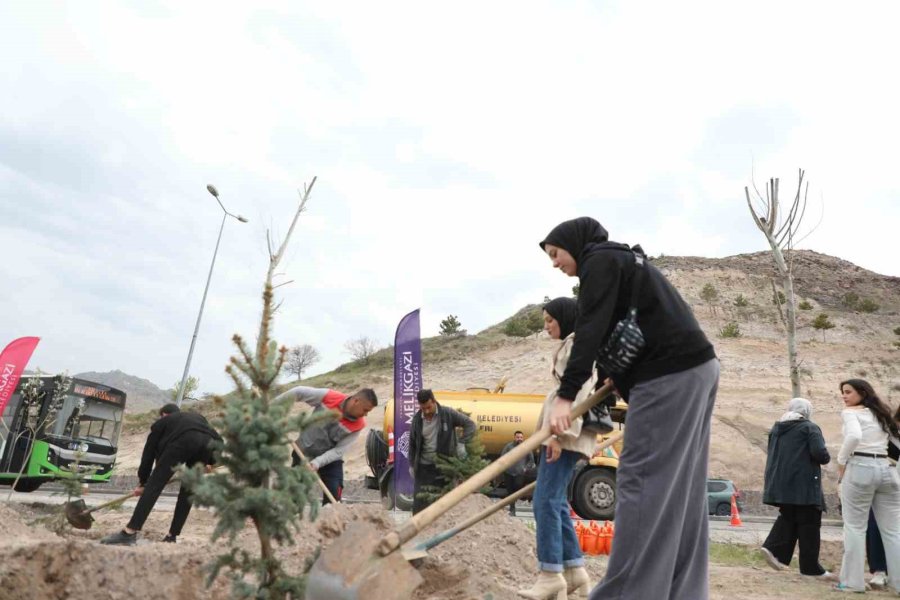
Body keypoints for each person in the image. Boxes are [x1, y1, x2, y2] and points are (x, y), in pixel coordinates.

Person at [540, 217, 719, 600]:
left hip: (667, 376)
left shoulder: (600, 262)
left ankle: (626, 594)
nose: (554, 263)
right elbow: (616, 330)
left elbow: (589, 329)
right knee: (681, 489)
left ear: (574, 243)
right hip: (696, 369)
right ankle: (683, 592)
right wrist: (611, 378)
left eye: (555, 253)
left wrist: (567, 395)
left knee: (639, 482)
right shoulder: (624, 262)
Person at [519, 297, 597, 600]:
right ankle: (574, 570)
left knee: (544, 502)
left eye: (550, 320)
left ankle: (550, 573)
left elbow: (574, 392)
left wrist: (556, 435)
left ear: (566, 317)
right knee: (557, 502)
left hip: (564, 435)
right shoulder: (576, 344)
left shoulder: (575, 346)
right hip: (568, 435)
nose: (547, 326)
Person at [101, 403, 221, 545]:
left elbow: (148, 455)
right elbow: (219, 441)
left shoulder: (161, 423)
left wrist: (144, 482)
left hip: (183, 442)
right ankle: (172, 536)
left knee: (154, 485)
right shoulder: (198, 418)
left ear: (164, 415)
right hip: (208, 444)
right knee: (188, 492)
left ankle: (129, 532)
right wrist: (211, 462)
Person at [834, 379, 900, 593]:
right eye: (843, 393)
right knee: (892, 531)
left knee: (854, 527)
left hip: (860, 466)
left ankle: (853, 582)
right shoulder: (881, 413)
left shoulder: (851, 413)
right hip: (887, 468)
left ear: (862, 392)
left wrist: (841, 460)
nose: (844, 396)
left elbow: (853, 436)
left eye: (848, 392)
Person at [759, 398, 833, 579]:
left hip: (781, 483)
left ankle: (775, 551)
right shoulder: (810, 428)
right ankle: (810, 568)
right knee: (810, 521)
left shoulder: (776, 429)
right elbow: (820, 455)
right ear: (807, 411)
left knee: (790, 516)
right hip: (804, 483)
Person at [275, 386, 377, 504]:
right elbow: (298, 392)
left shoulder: (358, 425)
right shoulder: (329, 397)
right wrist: (274, 407)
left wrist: (317, 462)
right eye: (365, 410)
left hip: (330, 459)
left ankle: (328, 520)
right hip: (303, 451)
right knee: (295, 492)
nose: (366, 415)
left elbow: (339, 451)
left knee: (334, 494)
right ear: (356, 401)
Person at [409, 388, 476, 514]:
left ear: (434, 401)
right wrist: (412, 465)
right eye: (423, 408)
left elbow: (470, 425)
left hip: (444, 467)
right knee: (419, 504)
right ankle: (418, 530)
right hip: (423, 468)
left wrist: (462, 443)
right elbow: (412, 444)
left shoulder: (447, 414)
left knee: (443, 505)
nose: (426, 411)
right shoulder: (417, 420)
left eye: (429, 407)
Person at [500, 430, 535, 516]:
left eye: (521, 437)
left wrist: (526, 468)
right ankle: (512, 510)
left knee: (517, 486)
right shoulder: (509, 447)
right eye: (518, 437)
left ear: (523, 438)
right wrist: (505, 466)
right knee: (510, 492)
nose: (519, 439)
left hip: (520, 473)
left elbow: (531, 461)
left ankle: (523, 497)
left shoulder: (526, 447)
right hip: (509, 473)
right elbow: (502, 457)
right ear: (514, 437)